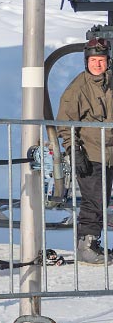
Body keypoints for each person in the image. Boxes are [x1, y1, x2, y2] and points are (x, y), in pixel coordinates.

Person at [57, 36, 113, 265]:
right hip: (92, 152)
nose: (97, 64)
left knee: (103, 199)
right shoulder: (78, 88)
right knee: (94, 200)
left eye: (101, 60)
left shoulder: (111, 82)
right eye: (93, 60)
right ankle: (86, 246)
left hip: (110, 152)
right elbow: (65, 122)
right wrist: (74, 149)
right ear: (86, 62)